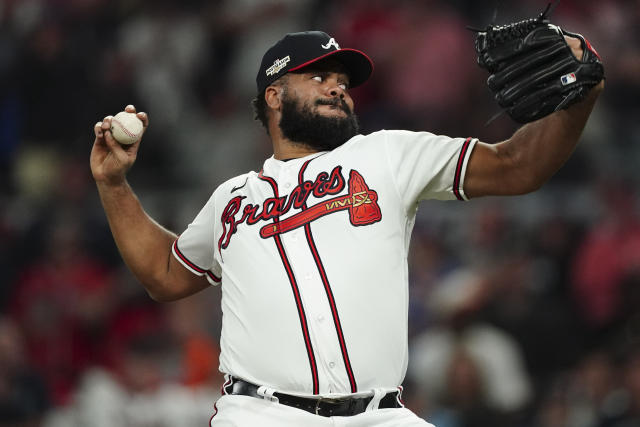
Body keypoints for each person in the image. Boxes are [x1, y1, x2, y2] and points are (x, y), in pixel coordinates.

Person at [90, 30, 603, 426]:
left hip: (379, 413)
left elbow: (519, 165)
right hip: (264, 415)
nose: (338, 86)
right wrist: (113, 185)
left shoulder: (387, 154)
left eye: (343, 80)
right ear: (274, 95)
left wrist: (582, 93)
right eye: (318, 75)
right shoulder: (232, 198)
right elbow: (164, 273)